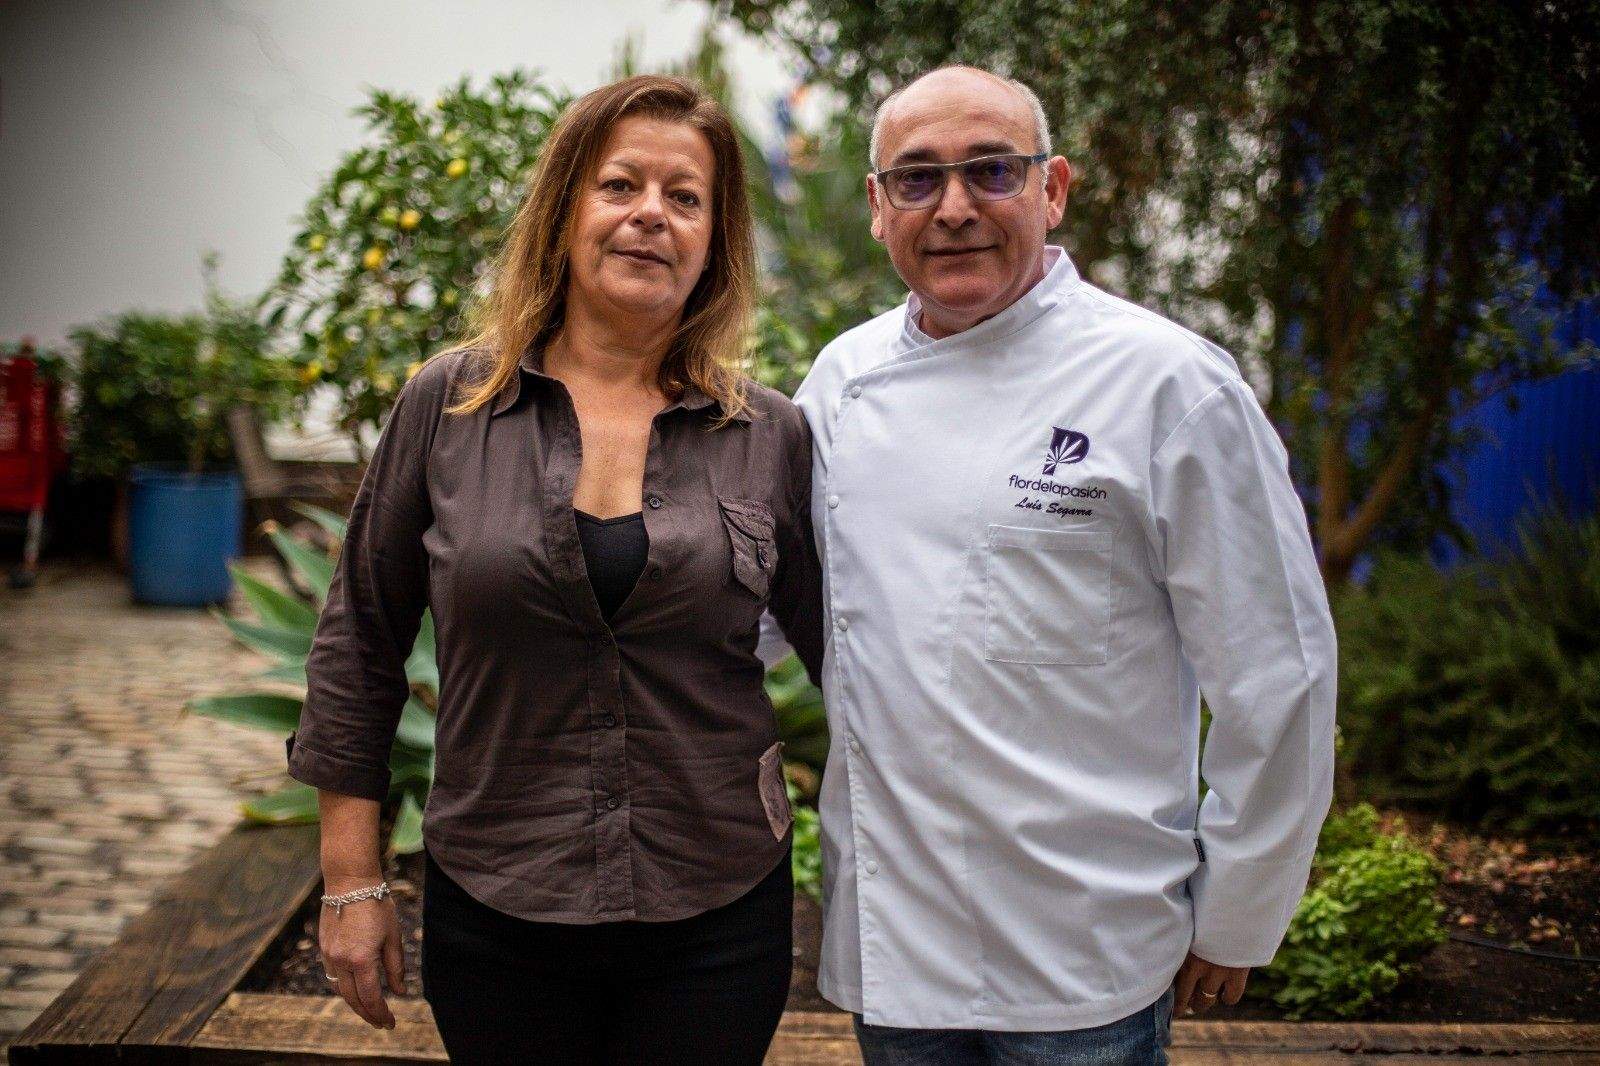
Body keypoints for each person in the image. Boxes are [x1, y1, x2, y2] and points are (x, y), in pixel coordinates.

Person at [764, 64, 1337, 1064]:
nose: (954, 209)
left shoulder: (1169, 384)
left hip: (1089, 948)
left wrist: (1240, 907)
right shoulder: (840, 381)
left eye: (992, 170)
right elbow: (759, 605)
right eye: (917, 178)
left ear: (1053, 188)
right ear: (877, 205)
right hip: (899, 954)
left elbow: (1277, 670)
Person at [284, 74, 824, 1065]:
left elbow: (851, 661)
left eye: (685, 197)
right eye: (620, 185)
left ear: (716, 237)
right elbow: (359, 638)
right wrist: (351, 877)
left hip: (716, 906)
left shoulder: (770, 433)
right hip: (498, 898)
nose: (650, 215)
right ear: (567, 209)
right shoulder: (448, 406)